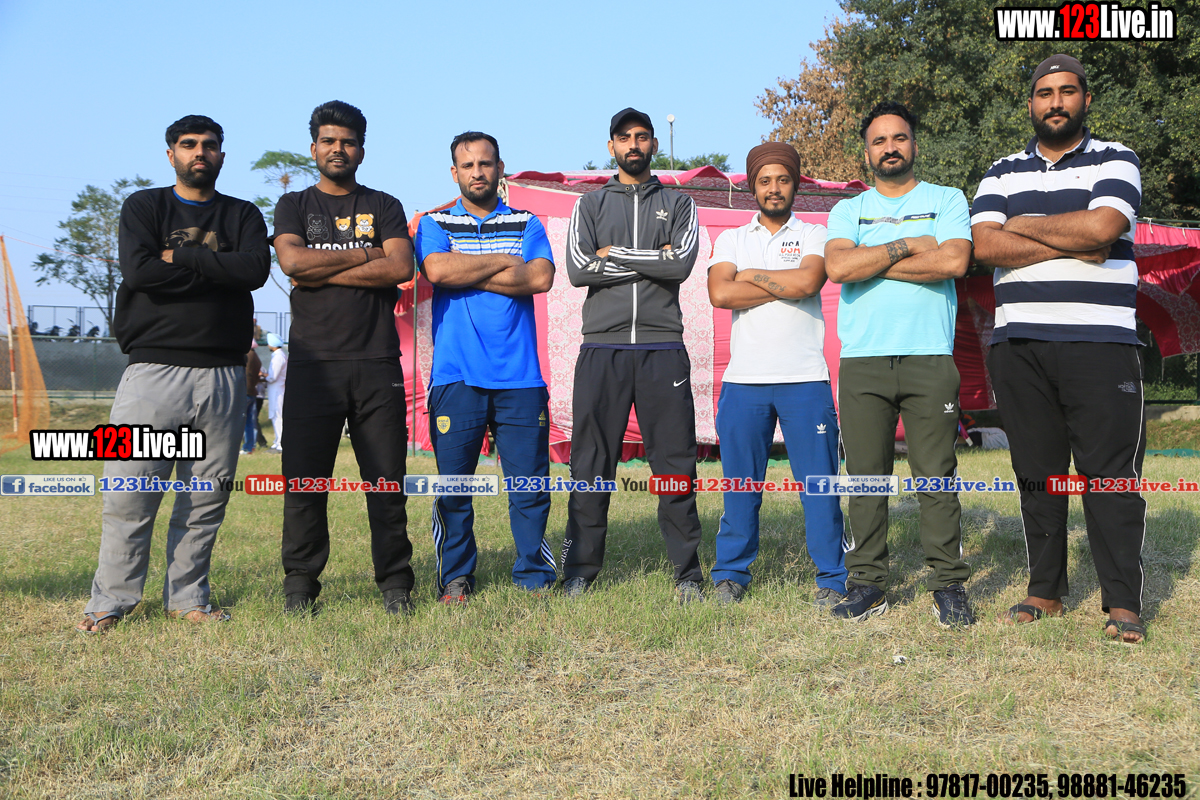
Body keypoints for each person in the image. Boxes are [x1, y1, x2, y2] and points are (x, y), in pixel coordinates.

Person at [971, 55, 1148, 643]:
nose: (1055, 102)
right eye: (1044, 93)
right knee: (1036, 473)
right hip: (1019, 343)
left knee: (1110, 475)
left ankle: (1122, 601)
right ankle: (1044, 590)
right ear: (1031, 103)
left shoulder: (1117, 158)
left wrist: (1021, 225)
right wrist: (1073, 241)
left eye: (1067, 91)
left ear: (1085, 100)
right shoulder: (1001, 171)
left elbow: (1103, 229)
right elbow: (983, 246)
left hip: (1102, 341)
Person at [76, 114, 270, 632]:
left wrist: (178, 257)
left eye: (209, 145)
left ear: (222, 155)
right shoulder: (144, 206)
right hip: (152, 372)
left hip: (223, 374)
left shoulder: (243, 213)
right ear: (171, 155)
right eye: (188, 144)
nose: (199, 152)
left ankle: (187, 599)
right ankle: (110, 601)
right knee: (129, 493)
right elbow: (140, 272)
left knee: (206, 499)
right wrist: (218, 269)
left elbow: (254, 270)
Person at [824, 100, 975, 627]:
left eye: (899, 137)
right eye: (879, 141)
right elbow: (838, 267)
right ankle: (868, 584)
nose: (890, 147)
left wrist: (870, 261)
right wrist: (911, 245)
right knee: (865, 478)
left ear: (914, 143)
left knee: (936, 475)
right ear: (866, 153)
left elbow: (954, 260)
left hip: (929, 357)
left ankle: (948, 585)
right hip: (862, 360)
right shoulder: (848, 210)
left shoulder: (946, 198)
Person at [272, 100, 416, 616]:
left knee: (386, 482)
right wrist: (367, 253)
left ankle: (396, 583)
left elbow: (400, 268)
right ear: (314, 148)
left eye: (348, 142)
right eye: (329, 141)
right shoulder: (293, 205)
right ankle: (300, 586)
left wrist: (322, 269)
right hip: (313, 365)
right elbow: (292, 261)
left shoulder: (384, 204)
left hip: (377, 361)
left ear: (361, 149)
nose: (338, 149)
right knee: (305, 482)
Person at [561, 108, 704, 603]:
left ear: (654, 146)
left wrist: (614, 254)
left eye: (642, 137)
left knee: (675, 463)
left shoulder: (679, 202)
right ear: (612, 147)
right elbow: (579, 269)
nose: (634, 144)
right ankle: (579, 571)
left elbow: (680, 264)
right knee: (590, 462)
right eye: (625, 138)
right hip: (603, 347)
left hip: (663, 347)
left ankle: (687, 575)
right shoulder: (590, 204)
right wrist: (653, 258)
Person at [415, 131, 557, 603]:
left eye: (485, 163)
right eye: (468, 165)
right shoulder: (434, 222)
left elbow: (540, 277)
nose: (477, 172)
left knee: (529, 487)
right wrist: (504, 261)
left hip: (521, 378)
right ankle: (456, 578)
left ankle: (534, 576)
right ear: (454, 173)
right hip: (455, 377)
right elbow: (438, 271)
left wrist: (468, 266)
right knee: (455, 488)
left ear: (500, 168)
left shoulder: (526, 221)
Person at [706, 143, 848, 607]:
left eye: (782, 179)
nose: (774, 188)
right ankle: (731, 575)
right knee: (740, 487)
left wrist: (750, 276)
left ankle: (832, 578)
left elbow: (808, 283)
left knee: (819, 487)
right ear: (753, 186)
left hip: (805, 379)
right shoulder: (732, 239)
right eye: (765, 180)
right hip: (743, 381)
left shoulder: (815, 233)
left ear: (795, 184)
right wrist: (780, 283)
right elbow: (720, 295)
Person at [264, 333, 287, 451]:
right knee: (275, 416)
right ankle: (277, 441)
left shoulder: (278, 357)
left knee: (278, 416)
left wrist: (264, 376)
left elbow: (273, 376)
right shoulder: (279, 355)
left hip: (277, 390)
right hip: (276, 389)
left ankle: (281, 443)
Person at [241, 341, 262, 456]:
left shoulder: (246, 355)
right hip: (253, 391)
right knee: (250, 421)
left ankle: (245, 446)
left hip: (244, 392)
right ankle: (250, 446)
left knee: (240, 421)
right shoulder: (256, 357)